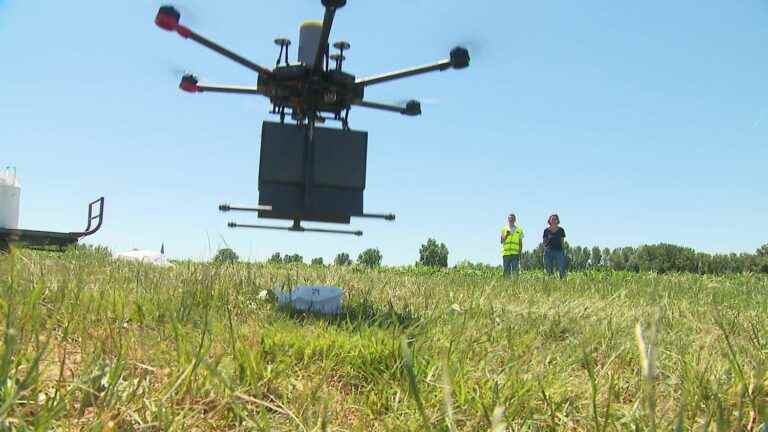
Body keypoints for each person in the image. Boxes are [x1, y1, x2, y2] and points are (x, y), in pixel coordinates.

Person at [543, 214, 567, 279]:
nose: (553, 220)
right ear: (549, 220)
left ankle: (562, 280)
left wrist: (563, 251)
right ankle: (551, 280)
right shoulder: (546, 231)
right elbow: (544, 242)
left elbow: (562, 241)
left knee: (561, 268)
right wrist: (545, 250)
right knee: (548, 268)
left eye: (555, 219)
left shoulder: (561, 230)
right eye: (552, 219)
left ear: (557, 220)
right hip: (548, 252)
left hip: (559, 251)